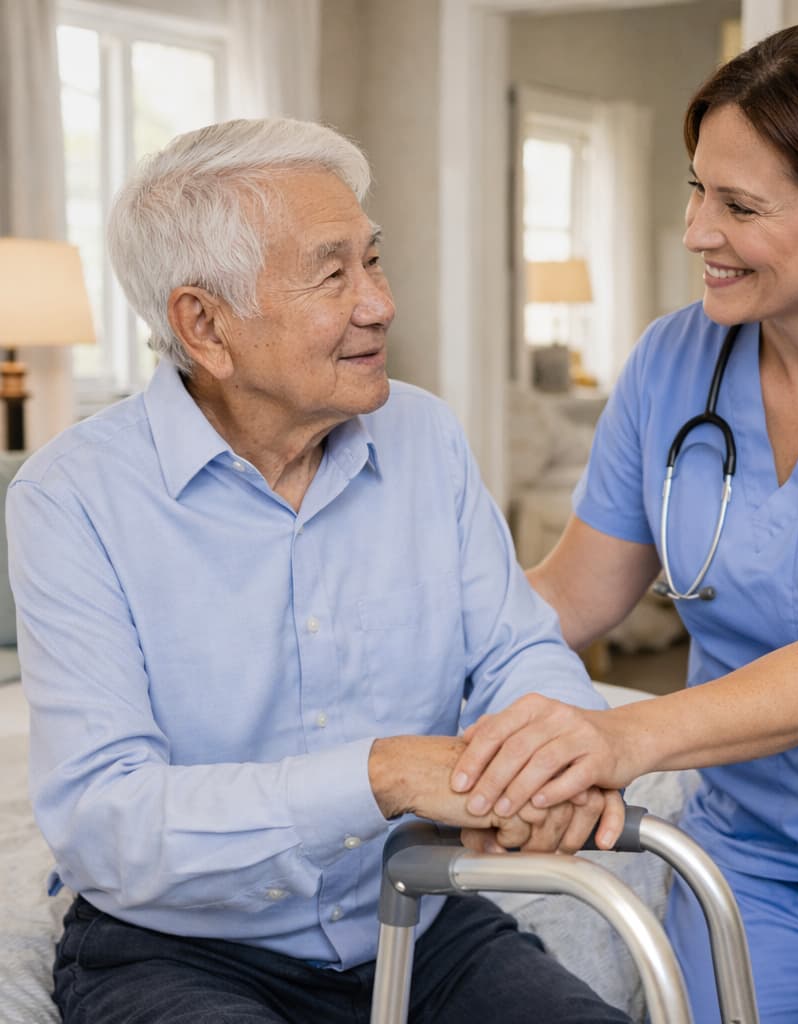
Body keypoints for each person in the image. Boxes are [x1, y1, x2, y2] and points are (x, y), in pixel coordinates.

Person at [451, 16, 798, 1024]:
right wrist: (401, 694)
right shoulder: (672, 361)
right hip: (746, 839)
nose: (695, 232)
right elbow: (571, 595)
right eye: (696, 190)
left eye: (739, 206)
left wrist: (621, 738)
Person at [7, 117, 629, 1024]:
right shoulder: (72, 496)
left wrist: (551, 757)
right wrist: (378, 776)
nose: (379, 303)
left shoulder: (425, 436)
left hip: (419, 919)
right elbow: (108, 818)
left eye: (372, 260)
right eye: (332, 275)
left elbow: (515, 653)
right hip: (181, 948)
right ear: (204, 325)